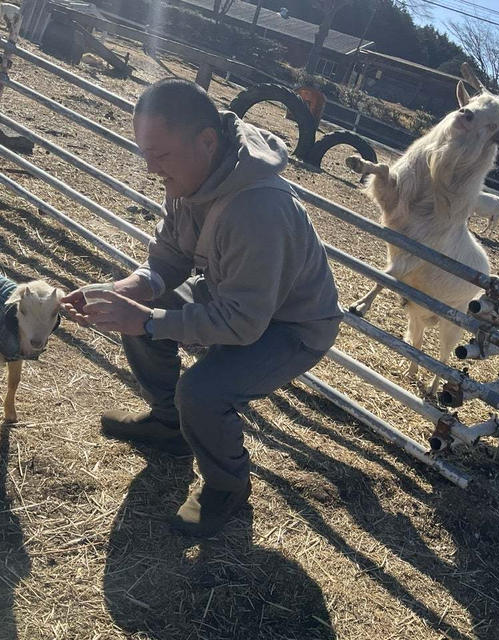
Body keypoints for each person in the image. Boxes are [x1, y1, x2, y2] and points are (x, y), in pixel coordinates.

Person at [62, 79, 342, 537]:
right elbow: (168, 258)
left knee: (203, 391)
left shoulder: (258, 208)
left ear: (207, 141)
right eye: (145, 153)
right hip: (229, 292)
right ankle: (170, 425)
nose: (151, 168)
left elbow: (244, 323)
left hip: (291, 324)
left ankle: (227, 486)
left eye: (161, 155)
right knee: (139, 317)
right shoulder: (191, 175)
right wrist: (123, 290)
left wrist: (149, 320)